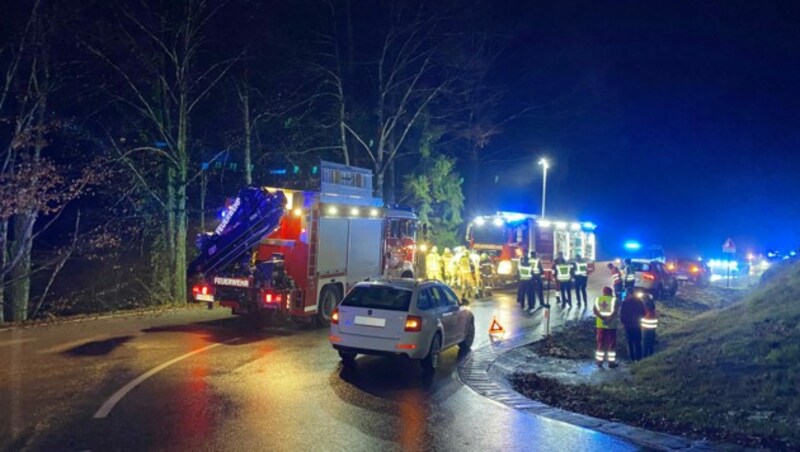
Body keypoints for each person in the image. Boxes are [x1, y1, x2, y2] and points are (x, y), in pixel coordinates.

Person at [593, 287, 619, 368]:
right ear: (611, 292)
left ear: (603, 292)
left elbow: (595, 311)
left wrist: (602, 318)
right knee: (611, 343)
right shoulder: (614, 300)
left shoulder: (598, 299)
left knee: (600, 343)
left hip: (600, 325)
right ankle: (611, 363)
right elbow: (615, 311)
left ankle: (599, 362)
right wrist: (608, 320)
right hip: (611, 326)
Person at [620, 291, 645, 361]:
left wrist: (624, 322)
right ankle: (639, 358)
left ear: (628, 295)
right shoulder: (639, 302)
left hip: (628, 326)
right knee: (638, 342)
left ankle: (632, 358)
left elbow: (622, 315)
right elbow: (643, 313)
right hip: (637, 325)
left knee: (630, 342)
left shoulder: (625, 303)